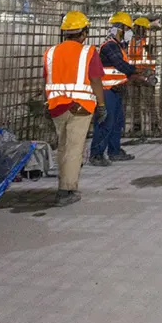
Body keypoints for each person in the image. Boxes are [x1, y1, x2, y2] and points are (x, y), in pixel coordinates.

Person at [43, 11, 106, 206]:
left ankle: (64, 182)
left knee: (63, 146)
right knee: (74, 148)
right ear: (84, 32)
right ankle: (66, 191)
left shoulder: (51, 52)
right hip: (80, 107)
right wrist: (101, 105)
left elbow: (47, 79)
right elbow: (95, 80)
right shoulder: (88, 52)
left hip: (56, 107)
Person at [90, 12, 140, 165]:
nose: (129, 32)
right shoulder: (110, 46)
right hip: (107, 91)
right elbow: (119, 64)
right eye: (128, 29)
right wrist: (137, 71)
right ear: (121, 28)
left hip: (116, 90)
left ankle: (114, 151)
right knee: (105, 122)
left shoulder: (118, 46)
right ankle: (96, 154)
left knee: (117, 122)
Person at [128, 16, 159, 135]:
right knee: (134, 102)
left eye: (140, 28)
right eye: (136, 27)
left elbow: (152, 54)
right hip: (133, 74)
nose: (137, 30)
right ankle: (136, 126)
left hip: (146, 73)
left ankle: (154, 126)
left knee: (149, 102)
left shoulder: (148, 41)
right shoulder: (130, 41)